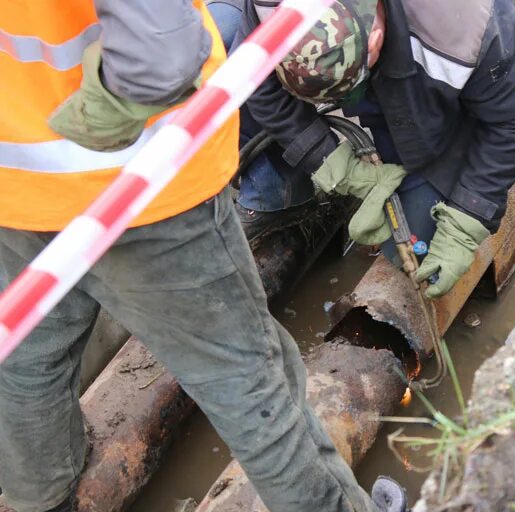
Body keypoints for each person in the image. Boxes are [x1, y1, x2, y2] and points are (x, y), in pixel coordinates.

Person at [0, 1, 404, 511]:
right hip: (143, 184)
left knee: (31, 362)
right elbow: (164, 51)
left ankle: (42, 497)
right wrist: (91, 130)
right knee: (253, 381)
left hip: (16, 178)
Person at [228, 0, 515, 299]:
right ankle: (280, 199)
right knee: (221, 31)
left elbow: (512, 121)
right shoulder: (269, 7)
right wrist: (326, 159)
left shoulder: (465, 24)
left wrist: (467, 218)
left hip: (428, 94)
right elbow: (254, 81)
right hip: (384, 67)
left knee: (419, 253)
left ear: (376, 39)